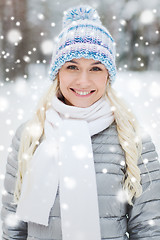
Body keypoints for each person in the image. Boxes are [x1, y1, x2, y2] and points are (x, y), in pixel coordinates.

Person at [1, 4, 160, 240]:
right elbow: (13, 227)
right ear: (58, 73)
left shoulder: (132, 139)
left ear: (108, 76)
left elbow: (148, 231)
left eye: (95, 68)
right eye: (72, 66)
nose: (83, 80)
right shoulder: (30, 134)